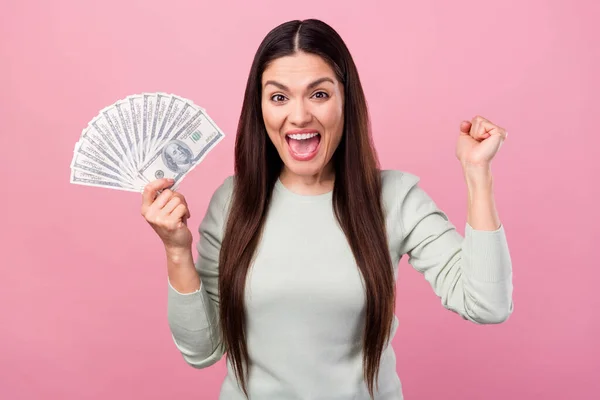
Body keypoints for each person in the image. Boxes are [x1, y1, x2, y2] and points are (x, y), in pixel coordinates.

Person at [140, 19, 513, 400]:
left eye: (318, 94)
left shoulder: (395, 198)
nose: (299, 116)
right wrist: (175, 249)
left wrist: (477, 172)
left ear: (345, 100)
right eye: (279, 97)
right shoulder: (233, 202)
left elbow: (487, 304)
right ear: (260, 108)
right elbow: (202, 352)